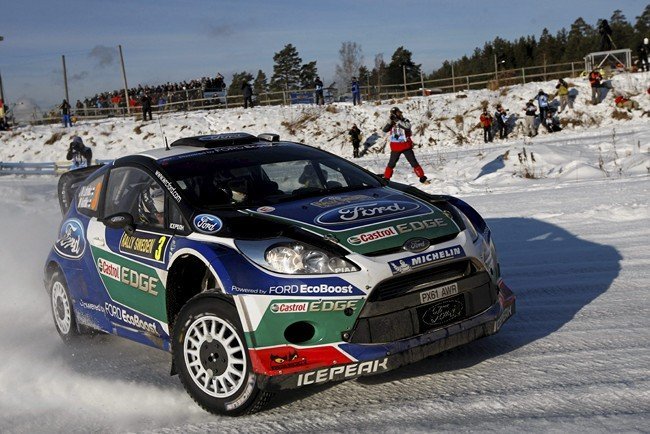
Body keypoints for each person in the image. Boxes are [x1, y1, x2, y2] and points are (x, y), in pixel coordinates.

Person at [381, 107, 428, 184]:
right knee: (391, 164)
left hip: (406, 146)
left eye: (396, 113)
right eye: (393, 113)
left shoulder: (405, 120)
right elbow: (384, 129)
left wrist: (397, 120)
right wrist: (390, 120)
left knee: (414, 163)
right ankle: (386, 178)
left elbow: (407, 127)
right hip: (395, 147)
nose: (395, 115)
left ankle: (422, 178)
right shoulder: (391, 122)